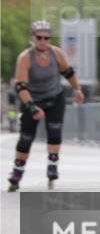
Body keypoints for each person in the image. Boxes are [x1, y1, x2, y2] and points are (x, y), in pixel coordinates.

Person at [7, 21, 85, 191]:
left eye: (46, 38)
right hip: (32, 99)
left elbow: (68, 72)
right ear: (33, 38)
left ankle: (52, 165)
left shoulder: (56, 53)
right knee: (26, 137)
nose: (43, 41)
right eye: (39, 37)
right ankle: (17, 173)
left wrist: (77, 89)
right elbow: (21, 86)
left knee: (55, 129)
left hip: (55, 97)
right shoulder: (25, 58)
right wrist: (32, 107)